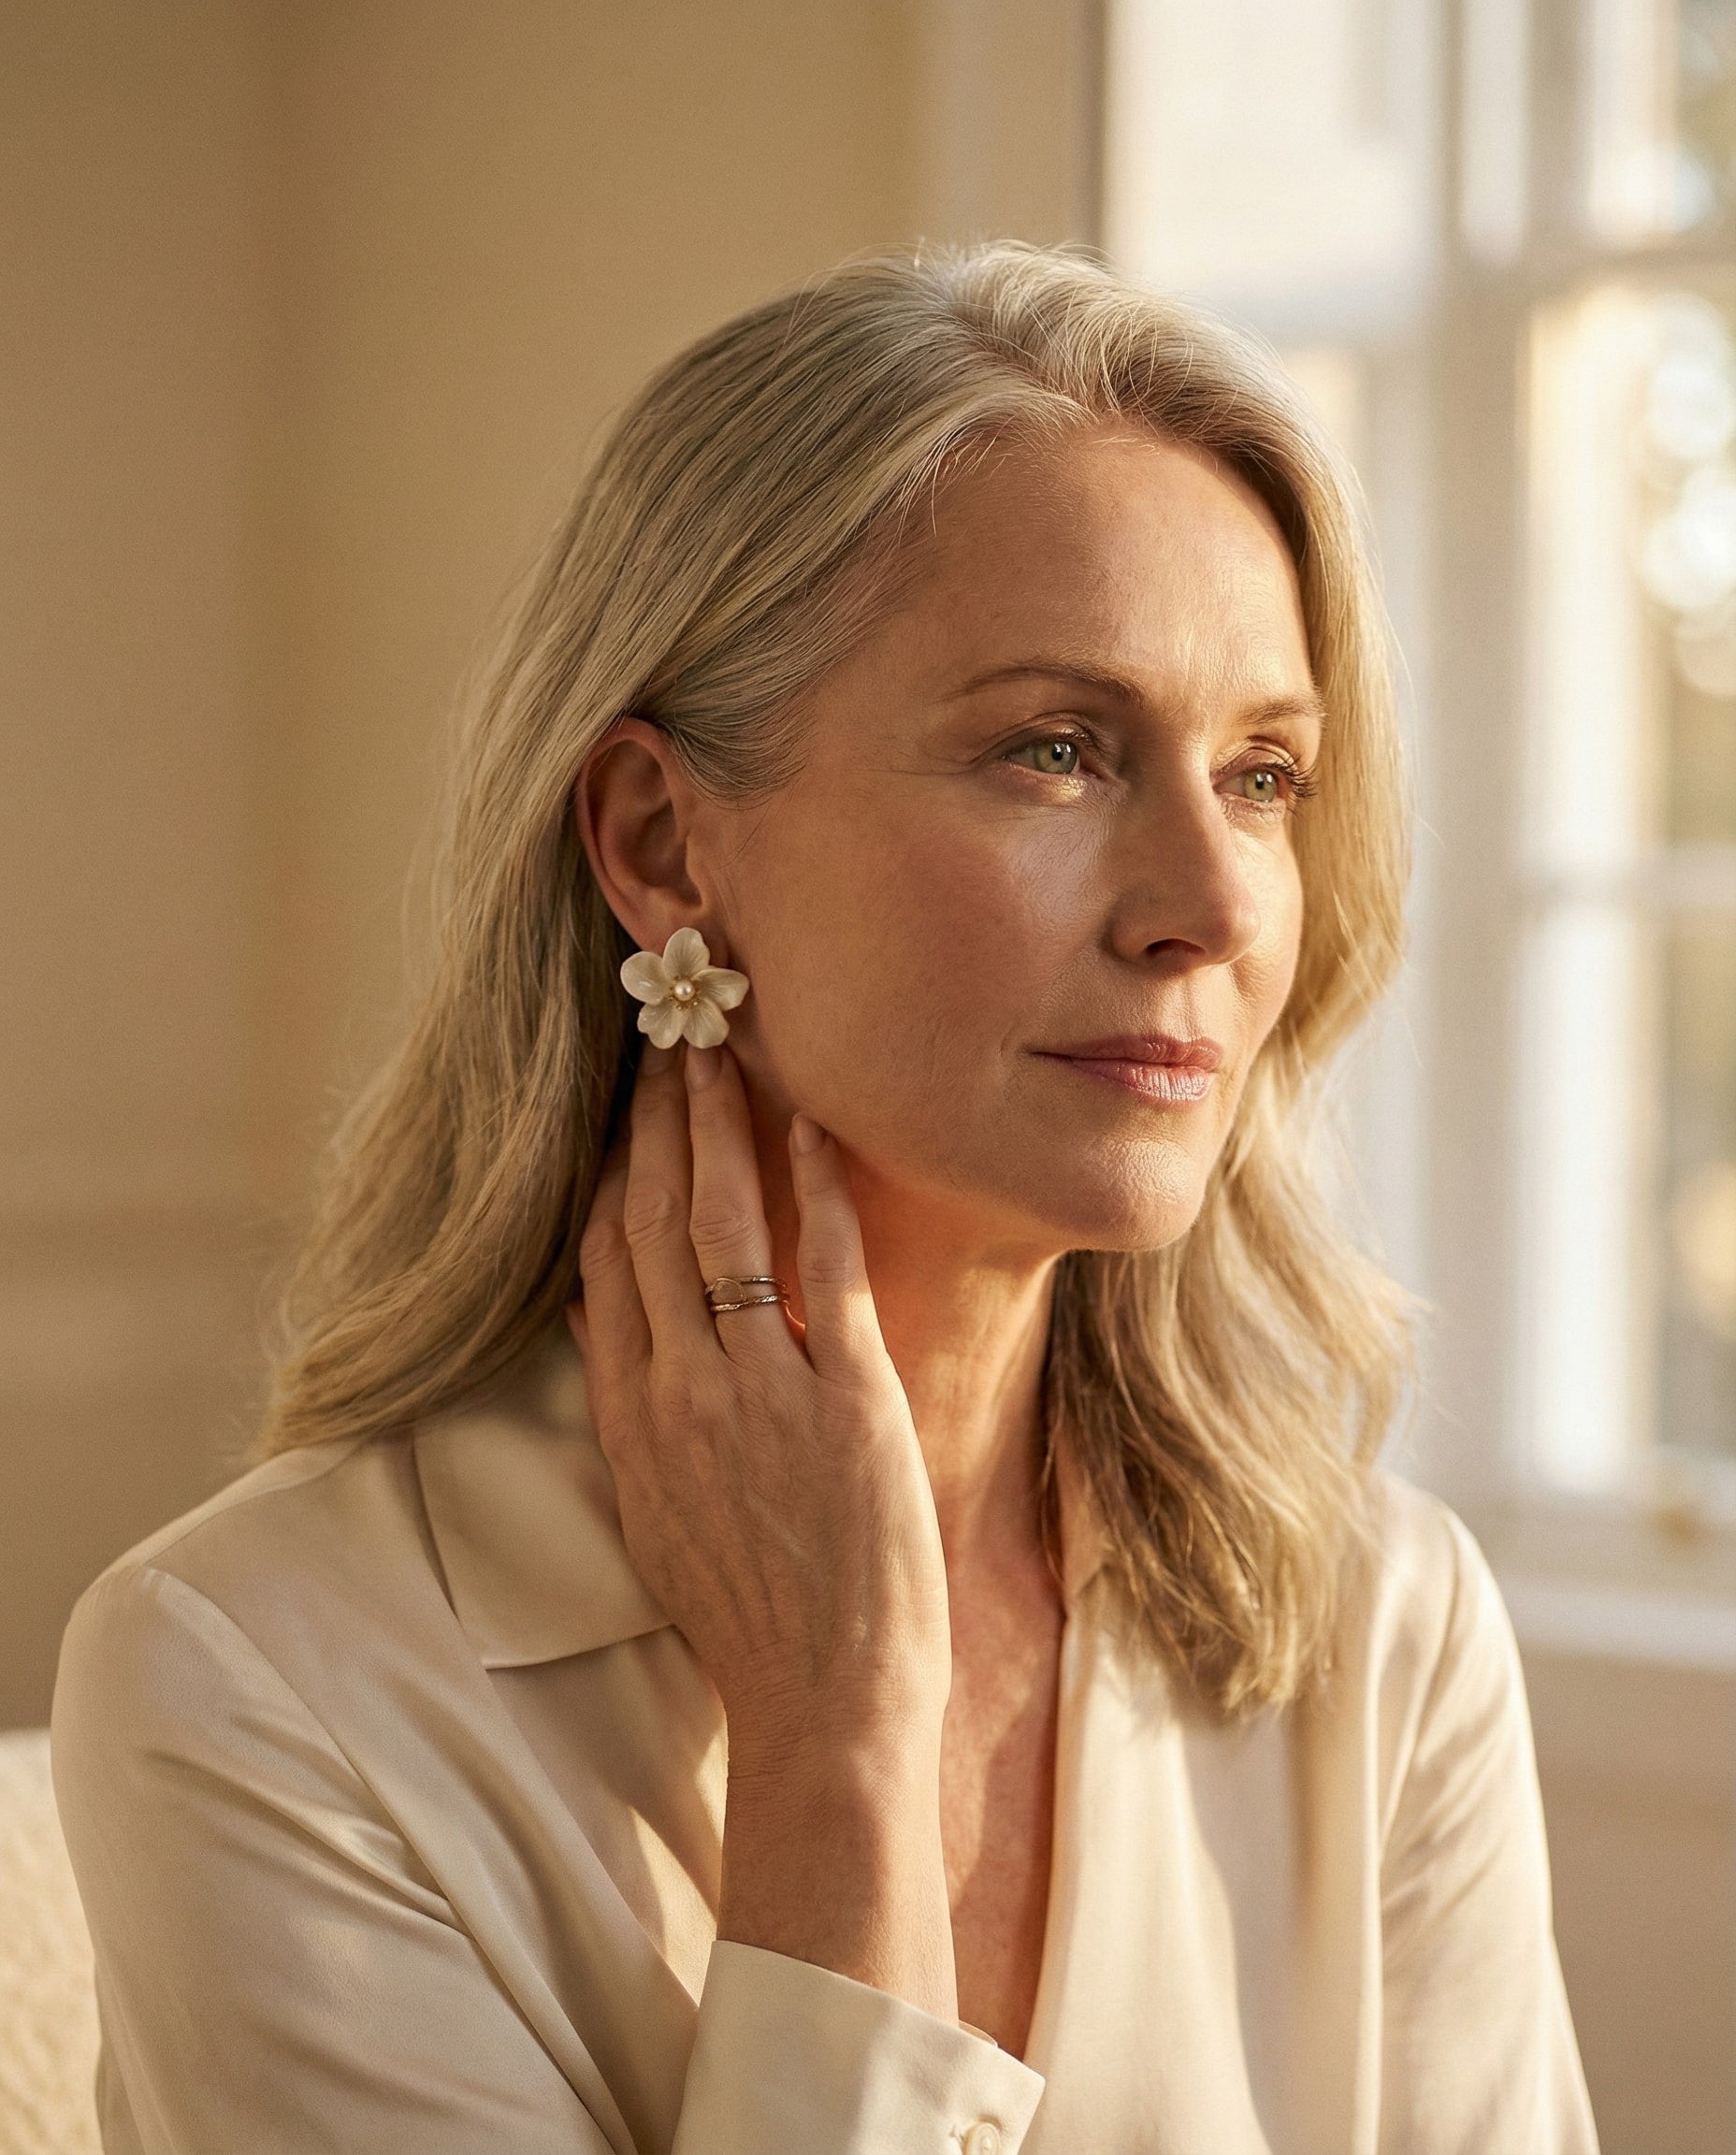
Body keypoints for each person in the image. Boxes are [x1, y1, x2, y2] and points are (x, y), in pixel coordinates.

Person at [50, 241, 1599, 2154]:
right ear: (658, 842)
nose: (1205, 901)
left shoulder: (1385, 1631)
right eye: (1055, 750)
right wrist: (835, 1759)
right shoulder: (262, 1680)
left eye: (1264, 773)